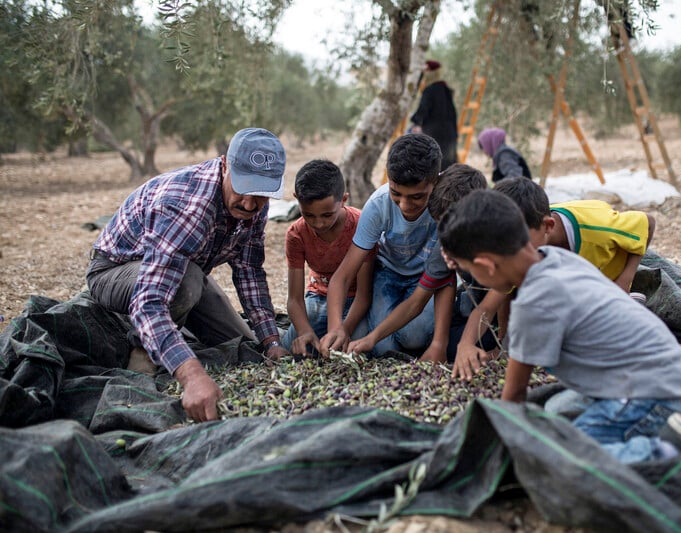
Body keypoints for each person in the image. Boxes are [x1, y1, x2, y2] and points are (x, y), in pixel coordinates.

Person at [437, 190, 681, 463]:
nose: (474, 277)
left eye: (471, 270)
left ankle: (667, 452)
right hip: (667, 373)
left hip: (654, 394)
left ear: (486, 265)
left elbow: (513, 396)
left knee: (565, 455)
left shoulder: (534, 304)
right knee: (556, 408)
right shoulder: (554, 257)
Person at [86, 127, 290, 423]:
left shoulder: (256, 206)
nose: (249, 205)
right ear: (224, 165)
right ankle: (142, 350)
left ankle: (171, 331)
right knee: (184, 285)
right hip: (116, 271)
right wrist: (191, 375)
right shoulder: (184, 207)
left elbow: (249, 272)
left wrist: (271, 341)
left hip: (183, 273)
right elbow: (149, 302)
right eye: (243, 189)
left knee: (242, 344)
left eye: (260, 194)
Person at [452, 177, 656, 380]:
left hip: (607, 274)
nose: (507, 250)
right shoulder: (516, 250)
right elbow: (489, 305)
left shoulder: (599, 231)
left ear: (547, 227)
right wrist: (467, 344)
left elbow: (647, 222)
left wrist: (623, 282)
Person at [346, 164, 493, 362]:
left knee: (467, 344)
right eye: (440, 226)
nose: (444, 236)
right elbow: (417, 301)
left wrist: (503, 346)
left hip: (511, 312)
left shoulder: (498, 243)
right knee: (395, 347)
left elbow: (500, 299)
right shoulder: (446, 243)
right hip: (484, 306)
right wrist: (372, 338)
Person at [320, 133, 441, 357]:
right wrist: (336, 327)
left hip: (427, 278)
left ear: (436, 182)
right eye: (396, 193)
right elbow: (343, 276)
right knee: (383, 348)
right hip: (388, 273)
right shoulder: (378, 205)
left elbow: (444, 274)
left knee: (413, 336)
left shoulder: (444, 204)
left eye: (417, 197)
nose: (405, 205)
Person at [282, 160, 375, 356]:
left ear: (344, 199)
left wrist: (343, 329)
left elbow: (364, 296)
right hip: (319, 296)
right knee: (294, 346)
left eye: (327, 215)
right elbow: (295, 300)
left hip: (355, 300)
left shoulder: (361, 225)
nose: (319, 223)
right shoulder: (296, 234)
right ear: (296, 199)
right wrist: (305, 331)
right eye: (309, 215)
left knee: (355, 345)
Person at [410, 60, 458, 169]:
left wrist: (416, 122)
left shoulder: (430, 90)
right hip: (449, 133)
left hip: (434, 132)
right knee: (447, 164)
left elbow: (423, 109)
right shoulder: (446, 89)